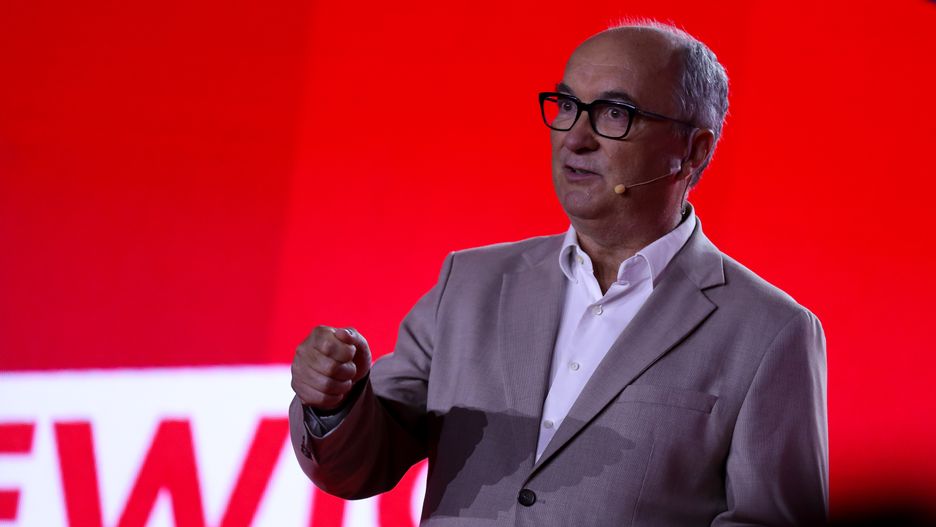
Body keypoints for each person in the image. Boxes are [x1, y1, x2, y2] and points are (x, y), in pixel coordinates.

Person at [289, 20, 828, 527]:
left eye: (615, 113)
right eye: (567, 105)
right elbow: (360, 463)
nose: (575, 137)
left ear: (692, 150)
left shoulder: (767, 331)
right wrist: (335, 403)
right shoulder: (472, 283)